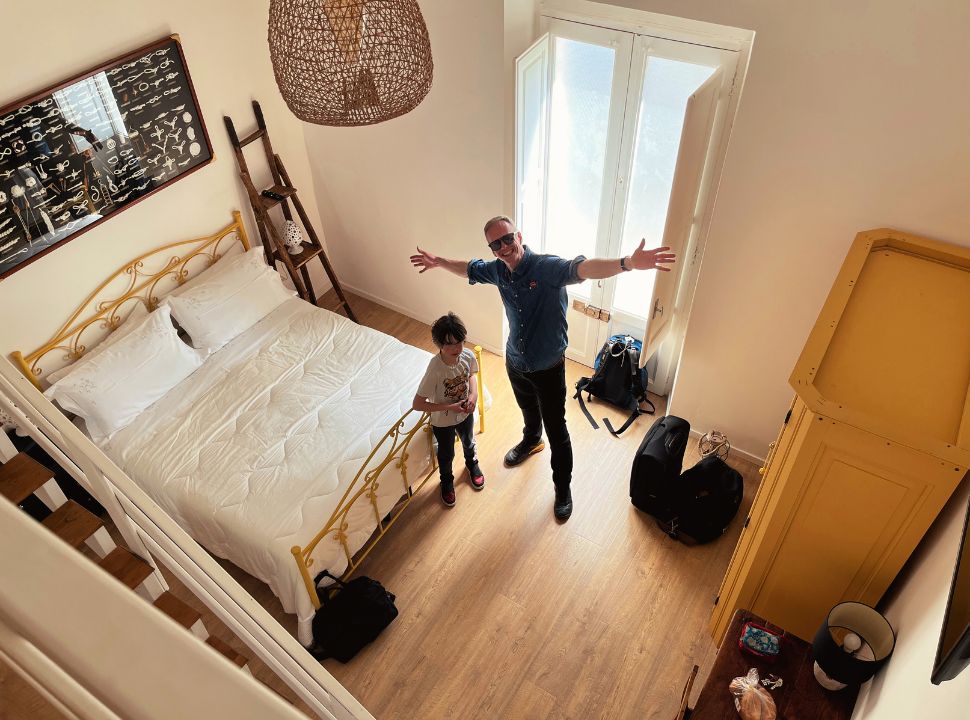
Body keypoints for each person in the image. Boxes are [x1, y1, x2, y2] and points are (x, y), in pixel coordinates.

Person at [409, 216, 675, 521]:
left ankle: (563, 488)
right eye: (496, 244)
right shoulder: (497, 270)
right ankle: (532, 439)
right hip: (516, 363)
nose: (504, 247)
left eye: (507, 239)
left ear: (519, 236)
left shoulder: (546, 268)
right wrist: (439, 261)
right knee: (529, 413)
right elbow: (469, 268)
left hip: (548, 368)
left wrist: (627, 262)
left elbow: (584, 268)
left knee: (557, 429)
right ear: (492, 250)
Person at [412, 312, 485, 508]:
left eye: (459, 342)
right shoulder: (435, 369)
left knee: (469, 441)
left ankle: (472, 464)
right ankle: (446, 480)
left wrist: (473, 396)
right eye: (449, 344)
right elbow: (418, 404)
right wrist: (449, 407)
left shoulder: (467, 355)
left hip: (465, 413)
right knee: (446, 454)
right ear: (439, 345)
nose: (456, 348)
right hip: (442, 421)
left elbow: (471, 375)